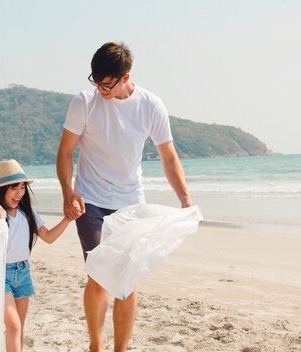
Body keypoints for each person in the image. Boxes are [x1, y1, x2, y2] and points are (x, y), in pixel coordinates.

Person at [56, 42, 195, 351]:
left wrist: (185, 198)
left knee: (127, 282)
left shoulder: (150, 105)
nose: (100, 90)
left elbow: (168, 158)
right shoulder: (84, 102)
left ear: (125, 77)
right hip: (90, 199)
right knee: (100, 276)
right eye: (96, 82)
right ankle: (96, 345)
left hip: (131, 205)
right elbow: (65, 153)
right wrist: (68, 191)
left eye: (106, 84)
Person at [0, 159, 77, 352]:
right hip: (1, 275)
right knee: (13, 326)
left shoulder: (27, 213)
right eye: (14, 188)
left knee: (18, 329)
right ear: (2, 190)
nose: (20, 193)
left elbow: (48, 237)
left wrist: (68, 219)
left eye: (23, 188)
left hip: (23, 273)